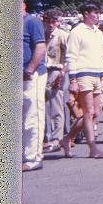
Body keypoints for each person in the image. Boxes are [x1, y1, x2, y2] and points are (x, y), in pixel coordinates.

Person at [59, 2, 103, 159]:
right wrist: (72, 80)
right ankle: (92, 148)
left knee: (95, 113)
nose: (98, 16)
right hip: (82, 74)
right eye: (95, 12)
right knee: (88, 112)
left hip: (96, 74)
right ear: (86, 14)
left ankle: (67, 138)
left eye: (99, 12)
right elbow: (71, 56)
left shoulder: (98, 32)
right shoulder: (77, 32)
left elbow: (99, 57)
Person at [22, 2, 47, 171]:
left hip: (31, 76)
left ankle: (33, 158)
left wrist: (30, 69)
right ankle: (22, 155)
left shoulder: (32, 22)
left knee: (32, 116)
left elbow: (40, 46)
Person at [42, 8, 68, 154]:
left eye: (53, 21)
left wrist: (62, 73)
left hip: (56, 71)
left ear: (58, 22)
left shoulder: (62, 35)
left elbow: (69, 57)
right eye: (48, 21)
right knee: (44, 106)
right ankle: (47, 137)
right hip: (42, 72)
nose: (50, 24)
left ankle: (57, 139)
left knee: (56, 106)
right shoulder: (42, 34)